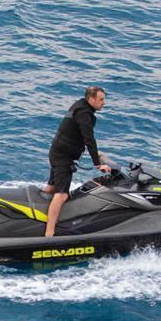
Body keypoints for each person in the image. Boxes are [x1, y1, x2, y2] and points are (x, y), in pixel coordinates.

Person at [44, 86, 112, 237]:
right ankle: (49, 233)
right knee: (61, 195)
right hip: (63, 157)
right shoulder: (84, 113)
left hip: (58, 152)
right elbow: (89, 138)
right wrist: (98, 164)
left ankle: (36, 217)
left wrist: (97, 154)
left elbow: (77, 134)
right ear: (91, 99)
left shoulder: (80, 106)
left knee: (51, 188)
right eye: (101, 99)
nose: (104, 103)